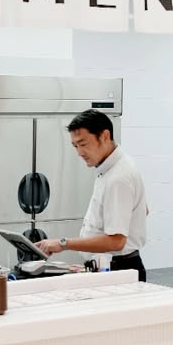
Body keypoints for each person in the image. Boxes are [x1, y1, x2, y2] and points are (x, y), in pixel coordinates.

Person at [37, 110, 148, 281]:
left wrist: (63, 243)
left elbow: (116, 241)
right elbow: (143, 209)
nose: (79, 152)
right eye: (75, 146)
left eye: (83, 144)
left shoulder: (118, 177)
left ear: (104, 136)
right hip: (110, 266)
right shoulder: (112, 168)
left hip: (119, 270)